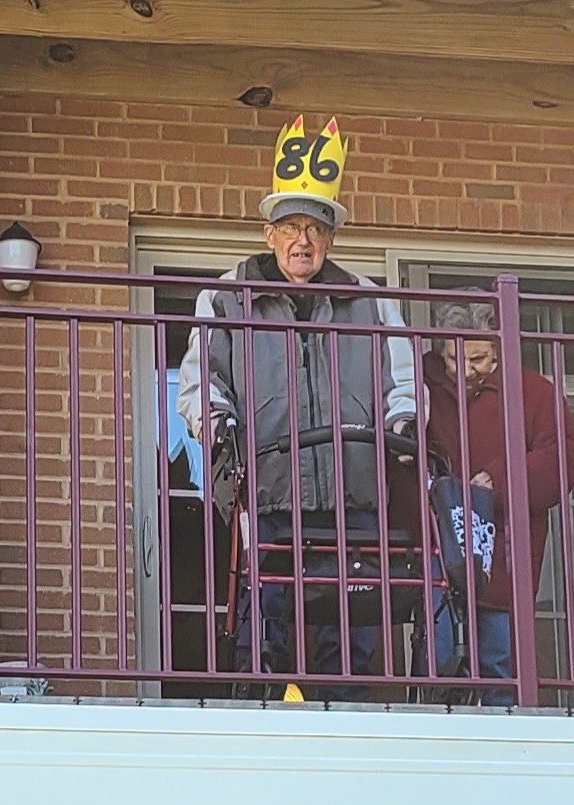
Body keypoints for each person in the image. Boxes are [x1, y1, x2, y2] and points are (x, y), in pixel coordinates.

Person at [178, 115, 416, 693]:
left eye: (315, 228)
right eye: (290, 227)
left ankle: (347, 726)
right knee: (265, 630)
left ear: (330, 239)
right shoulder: (226, 297)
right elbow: (200, 382)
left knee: (353, 638)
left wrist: (405, 422)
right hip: (269, 492)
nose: (302, 240)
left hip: (353, 496)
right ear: (269, 235)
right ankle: (263, 722)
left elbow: (404, 381)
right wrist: (217, 423)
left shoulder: (369, 301)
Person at [420, 297, 574, 706]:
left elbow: (566, 456)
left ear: (498, 351)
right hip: (436, 546)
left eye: (478, 359)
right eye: (454, 358)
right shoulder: (421, 384)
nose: (465, 370)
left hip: (503, 551)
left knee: (501, 663)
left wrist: (497, 480)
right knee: (439, 661)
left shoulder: (532, 391)